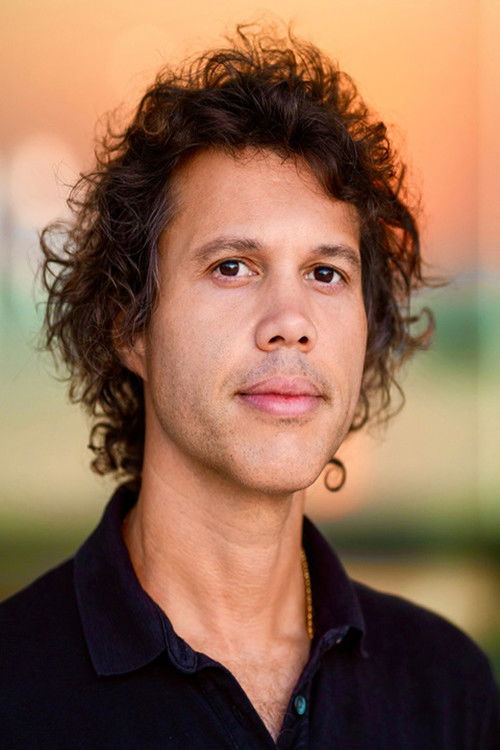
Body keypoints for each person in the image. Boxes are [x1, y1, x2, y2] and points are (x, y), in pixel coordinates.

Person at [0, 24, 498, 749]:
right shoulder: (13, 693)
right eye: (232, 267)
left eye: (326, 272)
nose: (291, 322)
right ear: (128, 325)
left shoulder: (447, 688)